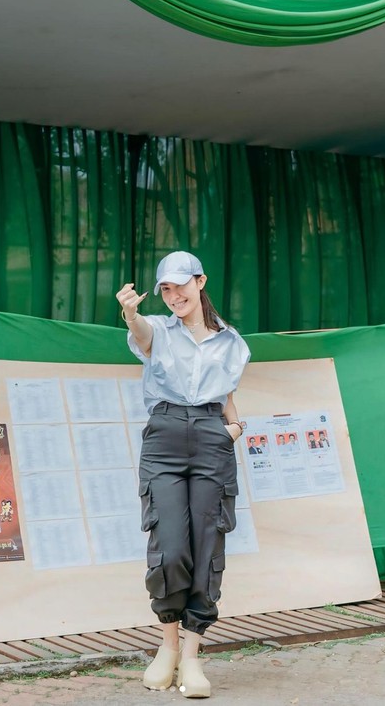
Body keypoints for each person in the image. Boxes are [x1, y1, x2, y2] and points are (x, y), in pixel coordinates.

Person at [116, 250, 250, 699]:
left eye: (181, 286)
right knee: (170, 546)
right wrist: (130, 313)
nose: (175, 296)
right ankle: (168, 646)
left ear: (200, 281)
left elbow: (228, 395)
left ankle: (192, 655)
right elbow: (141, 335)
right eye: (166, 289)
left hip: (212, 436)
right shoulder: (157, 327)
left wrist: (232, 429)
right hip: (165, 436)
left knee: (207, 545)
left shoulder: (230, 341)